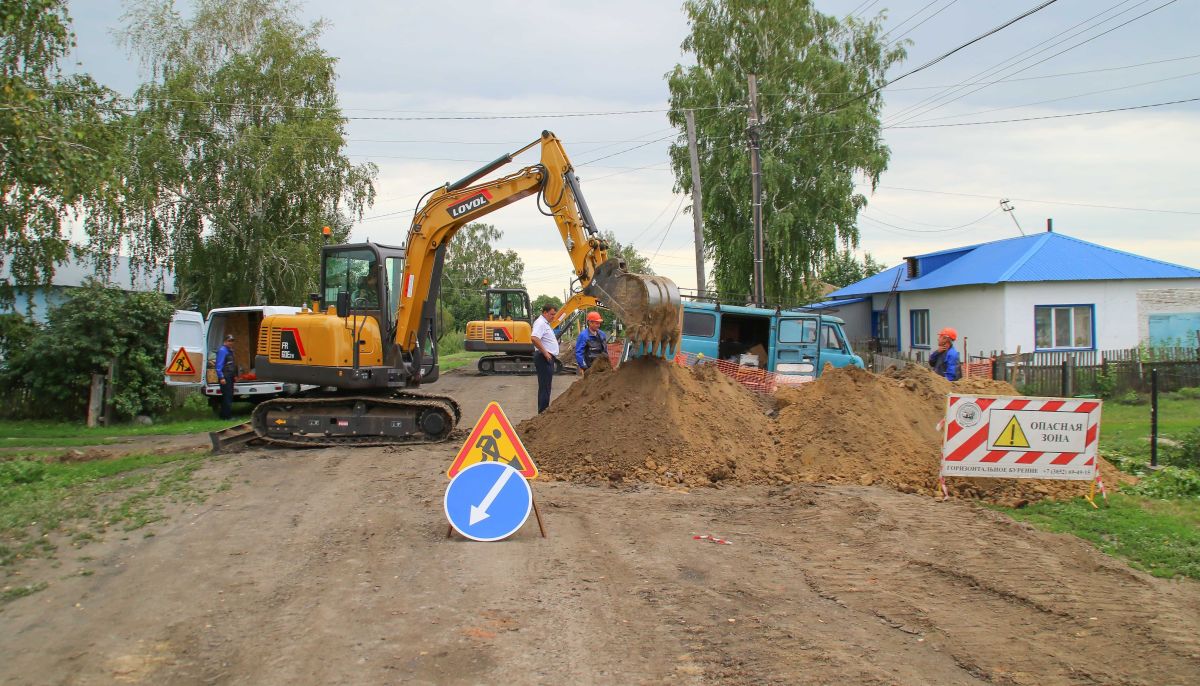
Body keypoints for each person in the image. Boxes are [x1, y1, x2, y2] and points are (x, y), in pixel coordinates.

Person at [530, 302, 559, 413]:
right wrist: (546, 353)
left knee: (546, 387)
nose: (553, 317)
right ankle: (543, 412)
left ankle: (543, 411)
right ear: (545, 312)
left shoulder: (545, 323)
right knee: (545, 388)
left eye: (554, 314)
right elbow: (534, 338)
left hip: (545, 357)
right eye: (551, 314)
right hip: (544, 358)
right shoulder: (541, 323)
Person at [215, 334, 238, 420]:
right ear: (225, 341)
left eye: (232, 341)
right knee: (227, 396)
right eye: (229, 341)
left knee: (229, 396)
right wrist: (221, 377)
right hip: (225, 376)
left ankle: (223, 415)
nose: (231, 343)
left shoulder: (230, 351)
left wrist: (235, 375)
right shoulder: (222, 351)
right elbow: (218, 365)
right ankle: (227, 416)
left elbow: (232, 365)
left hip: (230, 376)